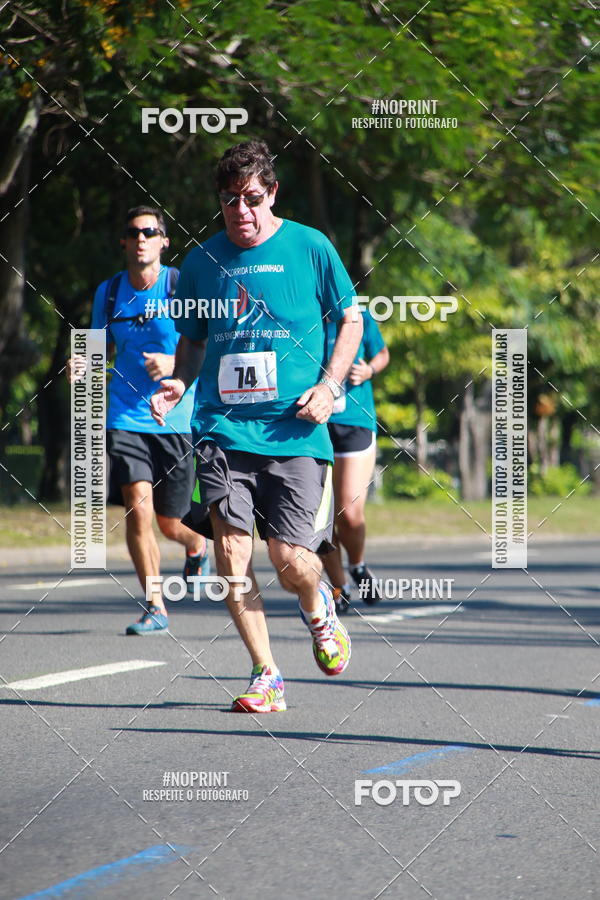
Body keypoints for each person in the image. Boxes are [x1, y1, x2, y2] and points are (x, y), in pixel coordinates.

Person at [150, 140, 363, 712]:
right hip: (222, 430)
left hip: (295, 430)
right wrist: (179, 381)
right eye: (229, 200)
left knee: (289, 559)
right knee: (230, 554)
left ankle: (319, 605)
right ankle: (266, 674)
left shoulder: (310, 247)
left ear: (272, 193)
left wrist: (330, 386)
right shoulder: (201, 262)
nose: (240, 210)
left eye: (250, 198)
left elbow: (350, 320)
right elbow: (194, 341)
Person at [67, 206, 209, 635]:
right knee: (138, 510)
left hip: (175, 419)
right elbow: (99, 348)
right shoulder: (109, 292)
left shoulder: (181, 286)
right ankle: (155, 606)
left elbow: (209, 345)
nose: (142, 238)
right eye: (134, 232)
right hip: (126, 416)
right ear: (124, 242)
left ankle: (196, 544)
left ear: (165, 240)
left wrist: (173, 363)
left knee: (171, 523)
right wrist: (83, 364)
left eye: (150, 231)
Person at [322, 309, 389, 612]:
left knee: (348, 513)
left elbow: (382, 354)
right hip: (312, 426)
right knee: (319, 519)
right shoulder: (301, 316)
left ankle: (358, 565)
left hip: (354, 422)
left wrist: (369, 370)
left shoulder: (359, 316)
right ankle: (340, 589)